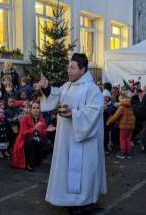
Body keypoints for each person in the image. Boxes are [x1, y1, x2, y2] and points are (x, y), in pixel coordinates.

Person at [35, 53, 106, 215]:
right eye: (68, 66)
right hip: (67, 139)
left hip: (85, 142)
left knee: (85, 173)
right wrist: (46, 88)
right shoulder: (67, 85)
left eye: (72, 67)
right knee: (67, 170)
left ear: (82, 70)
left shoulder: (92, 89)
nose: (68, 70)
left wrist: (74, 114)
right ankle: (72, 203)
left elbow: (94, 112)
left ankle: (85, 204)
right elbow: (56, 95)